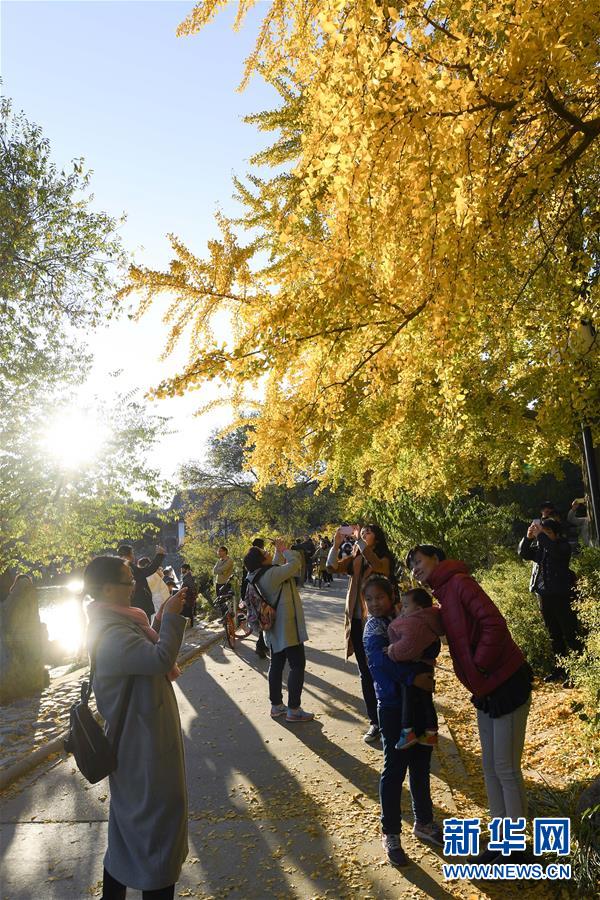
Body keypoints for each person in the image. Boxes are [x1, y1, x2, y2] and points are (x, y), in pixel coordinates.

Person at [407, 545, 533, 864]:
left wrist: (480, 665)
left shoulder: (460, 582)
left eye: (418, 561)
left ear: (436, 558)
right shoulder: (443, 592)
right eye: (411, 565)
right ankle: (501, 837)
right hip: (485, 687)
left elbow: (493, 624)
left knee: (505, 767)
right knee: (490, 767)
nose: (414, 567)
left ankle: (516, 846)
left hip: (505, 682)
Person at [84, 555, 189, 900]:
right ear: (106, 588)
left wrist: (160, 618)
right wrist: (172, 619)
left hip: (142, 744)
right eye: (128, 581)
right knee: (155, 834)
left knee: (130, 832)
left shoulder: (121, 624)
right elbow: (159, 659)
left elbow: (147, 653)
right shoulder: (111, 633)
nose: (134, 587)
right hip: (142, 752)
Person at [362, 575, 443, 868]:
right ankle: (391, 833)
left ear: (392, 595)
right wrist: (413, 677)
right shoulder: (373, 628)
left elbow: (430, 641)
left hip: (420, 704)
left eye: (379, 597)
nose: (374, 604)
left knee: (421, 764)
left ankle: (423, 821)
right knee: (394, 769)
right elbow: (379, 664)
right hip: (394, 707)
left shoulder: (408, 614)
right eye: (369, 599)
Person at [326, 524, 395, 744]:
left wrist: (361, 543)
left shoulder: (383, 557)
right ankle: (375, 721)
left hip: (379, 622)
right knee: (365, 672)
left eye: (368, 532)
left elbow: (379, 567)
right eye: (361, 531)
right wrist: (336, 544)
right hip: (357, 622)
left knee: (384, 669)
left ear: (378, 536)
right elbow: (331, 567)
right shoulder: (356, 557)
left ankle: (392, 719)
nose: (363, 534)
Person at [244, 539, 314, 722]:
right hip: (287, 627)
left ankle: (276, 706)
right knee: (297, 665)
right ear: (261, 561)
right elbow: (295, 565)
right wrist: (285, 550)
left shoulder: (257, 574)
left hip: (272, 629)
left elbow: (273, 565)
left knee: (276, 665)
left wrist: (277, 551)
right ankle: (294, 709)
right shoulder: (272, 575)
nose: (267, 552)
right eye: (264, 552)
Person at [518, 518, 580, 682]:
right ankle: (560, 670)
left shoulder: (562, 546)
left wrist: (540, 536)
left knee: (570, 635)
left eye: (548, 533)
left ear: (557, 535)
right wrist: (528, 537)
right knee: (554, 635)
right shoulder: (542, 548)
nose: (542, 536)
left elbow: (555, 552)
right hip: (544, 597)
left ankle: (577, 672)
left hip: (562, 596)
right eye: (542, 532)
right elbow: (523, 553)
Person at [385, 588, 444, 749]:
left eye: (405, 606)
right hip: (427, 666)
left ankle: (407, 731)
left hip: (414, 669)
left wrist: (391, 650)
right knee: (426, 700)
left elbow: (406, 647)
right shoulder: (431, 619)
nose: (402, 609)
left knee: (408, 698)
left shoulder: (415, 623)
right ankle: (431, 733)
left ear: (418, 610)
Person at [118, 545, 165, 620]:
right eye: (132, 553)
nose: (133, 556)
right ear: (129, 554)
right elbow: (148, 570)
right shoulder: (128, 567)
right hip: (138, 605)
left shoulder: (119, 567)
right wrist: (159, 555)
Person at [241, 539, 269, 659]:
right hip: (261, 594)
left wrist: (243, 596)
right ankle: (261, 646)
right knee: (264, 620)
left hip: (250, 592)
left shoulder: (248, 557)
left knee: (260, 620)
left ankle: (261, 646)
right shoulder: (261, 558)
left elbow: (244, 579)